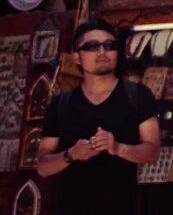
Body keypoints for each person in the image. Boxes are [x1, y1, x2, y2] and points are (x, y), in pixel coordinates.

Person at [37, 18, 160, 215]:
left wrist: (118, 148)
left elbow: (152, 151)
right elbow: (43, 167)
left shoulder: (137, 95)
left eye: (109, 45)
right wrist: (71, 154)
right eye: (92, 46)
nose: (102, 52)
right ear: (77, 57)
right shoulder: (62, 104)